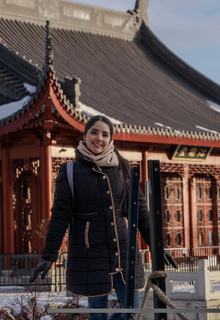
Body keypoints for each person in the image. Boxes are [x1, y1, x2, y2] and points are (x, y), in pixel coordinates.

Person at [30, 115, 176, 320]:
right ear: (85, 135)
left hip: (124, 251)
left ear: (111, 139)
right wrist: (49, 256)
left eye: (105, 134)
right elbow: (60, 215)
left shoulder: (123, 167)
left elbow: (140, 210)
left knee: (132, 309)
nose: (99, 138)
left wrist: (157, 245)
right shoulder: (71, 171)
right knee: (98, 312)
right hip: (91, 252)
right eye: (94, 132)